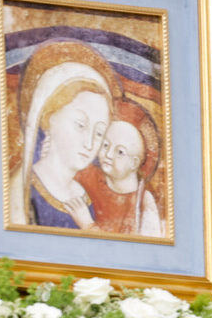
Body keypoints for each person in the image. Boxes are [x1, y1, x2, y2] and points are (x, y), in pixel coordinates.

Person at [8, 40, 122, 228]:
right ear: (48, 118)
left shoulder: (82, 196)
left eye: (99, 133)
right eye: (80, 125)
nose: (89, 144)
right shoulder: (21, 192)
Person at [70, 98, 165, 237]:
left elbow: (139, 246)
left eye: (120, 152)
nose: (108, 154)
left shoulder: (143, 201)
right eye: (105, 145)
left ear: (134, 163)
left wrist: (88, 225)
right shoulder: (88, 174)